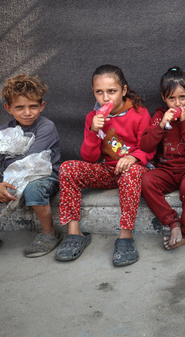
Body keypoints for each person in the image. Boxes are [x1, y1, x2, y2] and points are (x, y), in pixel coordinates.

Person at [56, 64, 154, 267]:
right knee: (67, 168)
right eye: (99, 92)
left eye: (112, 91)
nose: (106, 98)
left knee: (130, 172)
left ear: (124, 90)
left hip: (134, 170)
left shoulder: (139, 113)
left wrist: (132, 158)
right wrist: (93, 131)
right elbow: (89, 158)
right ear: (93, 92)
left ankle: (125, 236)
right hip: (108, 170)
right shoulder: (93, 118)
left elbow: (149, 148)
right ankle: (75, 233)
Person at [0, 74, 61, 264]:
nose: (27, 112)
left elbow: (30, 160)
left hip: (43, 176)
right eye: (19, 107)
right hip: (12, 176)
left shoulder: (46, 127)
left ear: (42, 106)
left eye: (33, 106)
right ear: (8, 108)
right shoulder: (5, 131)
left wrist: (5, 178)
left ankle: (50, 233)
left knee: (34, 188)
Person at [141, 66, 185, 250]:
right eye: (171, 98)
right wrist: (161, 125)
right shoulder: (160, 115)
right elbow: (145, 145)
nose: (177, 104)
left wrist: (184, 122)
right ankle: (172, 222)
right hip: (166, 169)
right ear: (163, 98)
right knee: (146, 181)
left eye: (182, 97)